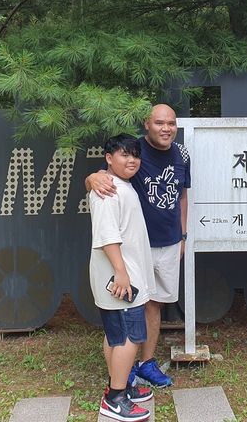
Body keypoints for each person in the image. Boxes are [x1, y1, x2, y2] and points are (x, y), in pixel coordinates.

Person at [87, 104, 190, 388]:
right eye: (159, 122)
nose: (166, 128)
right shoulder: (134, 151)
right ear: (147, 124)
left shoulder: (181, 154)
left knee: (153, 304)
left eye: (171, 123)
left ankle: (146, 364)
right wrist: (91, 177)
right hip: (134, 250)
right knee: (129, 310)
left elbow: (182, 195)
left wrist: (183, 235)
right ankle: (123, 372)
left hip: (168, 242)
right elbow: (106, 177)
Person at [89, 134, 156, 421]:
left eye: (135, 155)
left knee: (116, 335)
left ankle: (122, 386)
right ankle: (115, 399)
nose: (131, 160)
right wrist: (121, 272)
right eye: (123, 154)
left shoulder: (117, 184)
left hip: (124, 274)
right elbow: (107, 237)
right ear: (108, 158)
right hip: (119, 277)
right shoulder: (107, 189)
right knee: (129, 336)